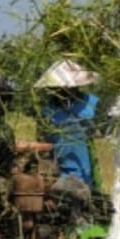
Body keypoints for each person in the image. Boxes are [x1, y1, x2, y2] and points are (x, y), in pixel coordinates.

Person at [36, 59, 100, 189]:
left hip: (87, 170)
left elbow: (104, 131)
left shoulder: (92, 103)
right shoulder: (47, 111)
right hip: (61, 174)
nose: (60, 91)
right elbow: (42, 144)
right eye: (56, 88)